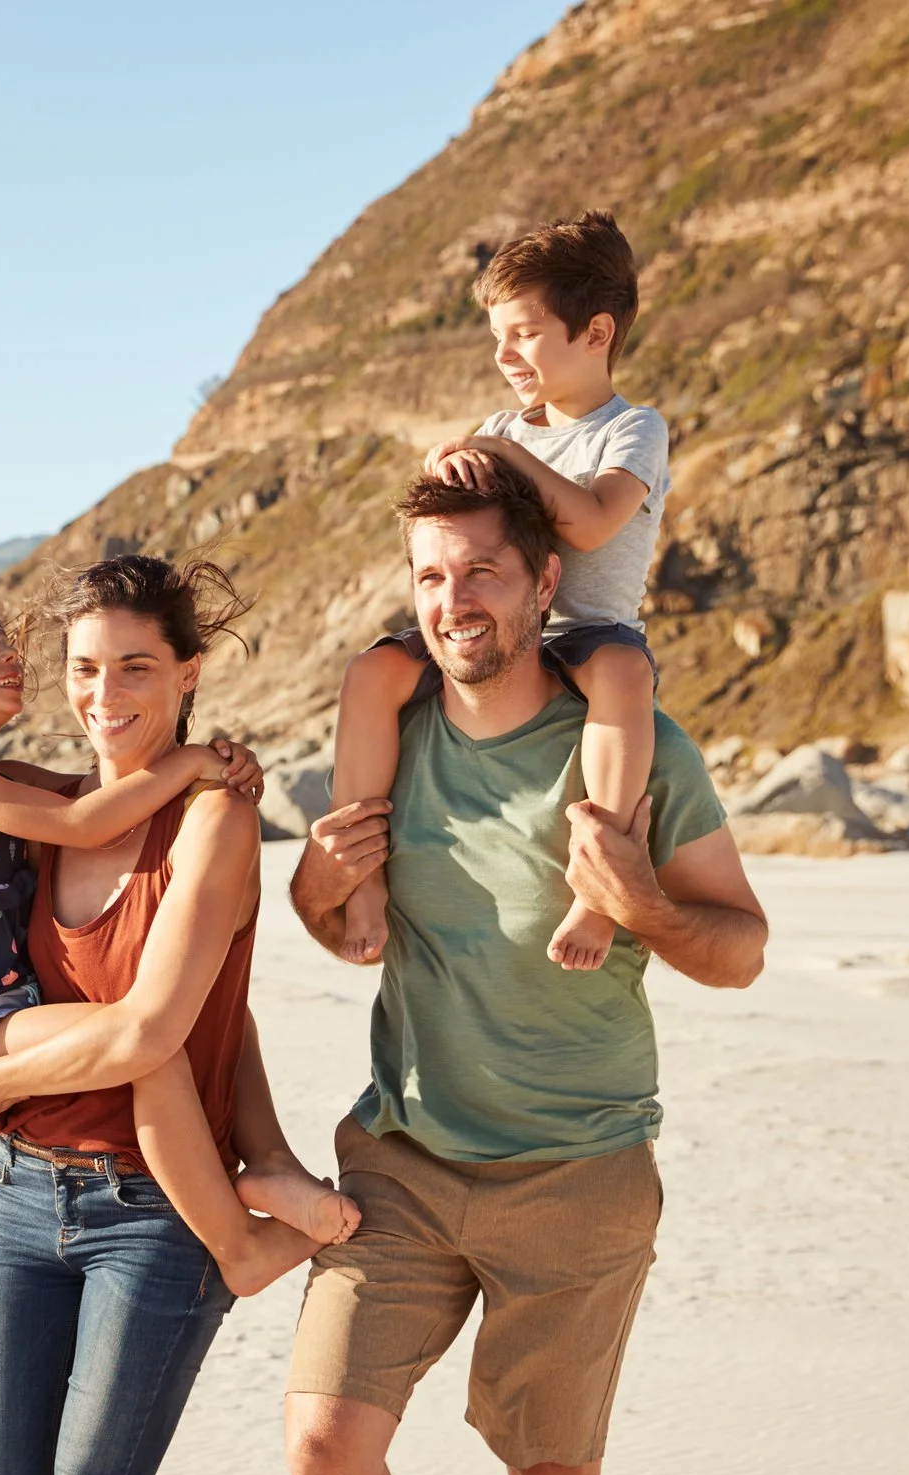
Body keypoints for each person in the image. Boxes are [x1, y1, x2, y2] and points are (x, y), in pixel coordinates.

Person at [284, 468, 768, 1475]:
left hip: (579, 1171)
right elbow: (343, 928)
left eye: (482, 572)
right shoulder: (390, 734)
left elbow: (741, 947)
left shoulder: (635, 749)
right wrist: (310, 892)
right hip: (400, 1157)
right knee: (323, 1445)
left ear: (546, 581)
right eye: (430, 577)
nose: (453, 602)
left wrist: (644, 903)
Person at [0, 553, 353, 1475]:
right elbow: (220, 1023)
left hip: (155, 1213)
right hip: (18, 1196)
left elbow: (160, 1029)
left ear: (188, 672)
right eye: (85, 668)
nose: (106, 695)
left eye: (137, 667)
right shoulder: (49, 810)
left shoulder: (212, 819)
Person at [0, 586, 355, 1294]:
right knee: (149, 1050)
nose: (6, 654)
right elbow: (84, 822)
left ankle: (270, 1165)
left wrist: (200, 768)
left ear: (184, 670)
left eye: (3, 641)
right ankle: (239, 1243)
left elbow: (87, 797)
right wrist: (189, 761)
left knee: (169, 1023)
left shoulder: (0, 779)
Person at [331, 210, 671, 973]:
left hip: (587, 629)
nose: (505, 353)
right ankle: (361, 876)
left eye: (524, 332)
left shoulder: (634, 431)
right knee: (372, 671)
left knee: (624, 674)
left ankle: (598, 885)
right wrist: (450, 460)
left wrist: (499, 450)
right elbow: (455, 509)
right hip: (494, 624)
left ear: (596, 332)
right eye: (497, 337)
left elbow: (586, 524)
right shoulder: (502, 425)